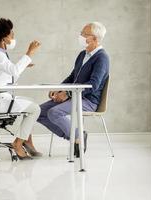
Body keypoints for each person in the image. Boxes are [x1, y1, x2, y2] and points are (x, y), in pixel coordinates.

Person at [37, 22, 109, 157]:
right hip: (74, 96)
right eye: (81, 33)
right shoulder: (83, 54)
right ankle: (77, 137)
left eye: (84, 34)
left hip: (89, 100)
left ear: (95, 39)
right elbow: (72, 77)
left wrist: (68, 93)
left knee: (54, 112)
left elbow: (94, 85)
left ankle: (77, 139)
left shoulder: (102, 57)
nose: (80, 36)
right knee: (38, 112)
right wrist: (58, 89)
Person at [0, 18, 42, 160]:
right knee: (35, 108)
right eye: (11, 34)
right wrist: (29, 53)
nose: (13, 37)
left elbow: (10, 76)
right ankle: (18, 143)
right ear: (4, 39)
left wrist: (23, 66)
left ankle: (27, 140)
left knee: (31, 103)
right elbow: (14, 71)